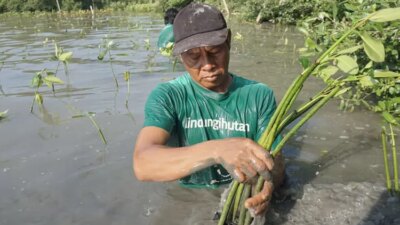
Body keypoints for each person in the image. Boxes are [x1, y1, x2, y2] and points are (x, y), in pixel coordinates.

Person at [133, 2, 285, 217]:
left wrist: (268, 186)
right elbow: (143, 164)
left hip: (242, 198)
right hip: (190, 200)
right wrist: (218, 150)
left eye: (214, 52)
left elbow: (276, 160)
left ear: (228, 41)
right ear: (179, 54)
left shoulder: (258, 94)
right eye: (193, 56)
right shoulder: (168, 96)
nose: (207, 65)